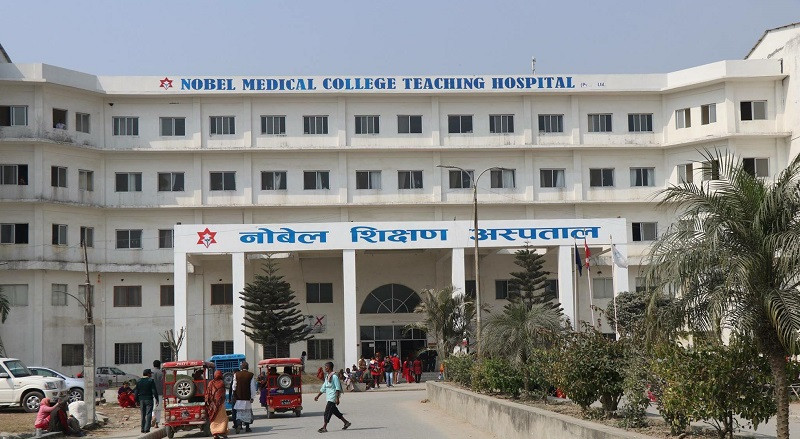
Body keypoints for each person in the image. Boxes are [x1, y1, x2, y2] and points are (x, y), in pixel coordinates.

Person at [314, 361, 351, 433]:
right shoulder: (327, 376)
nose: (325, 368)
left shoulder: (334, 377)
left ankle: (324, 427)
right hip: (329, 397)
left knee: (327, 412)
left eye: (326, 367)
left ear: (330, 367)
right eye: (325, 367)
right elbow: (324, 387)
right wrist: (318, 396)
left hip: (333, 397)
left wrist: (337, 398)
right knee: (335, 411)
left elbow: (338, 388)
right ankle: (346, 422)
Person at [231, 361, 256, 434]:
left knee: (239, 413)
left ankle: (239, 425)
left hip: (238, 398)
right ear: (247, 367)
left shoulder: (236, 374)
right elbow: (252, 387)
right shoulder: (250, 375)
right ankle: (247, 428)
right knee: (247, 412)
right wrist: (252, 397)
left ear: (241, 368)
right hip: (247, 398)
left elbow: (234, 386)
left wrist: (234, 395)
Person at [205, 370, 229, 439]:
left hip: (212, 405)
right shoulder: (222, 383)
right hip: (220, 405)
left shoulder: (210, 383)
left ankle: (215, 434)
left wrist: (207, 401)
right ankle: (222, 432)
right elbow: (223, 394)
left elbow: (207, 393)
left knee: (213, 418)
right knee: (223, 418)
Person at [134, 369, 159, 434]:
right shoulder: (151, 381)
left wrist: (136, 400)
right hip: (149, 399)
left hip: (141, 399)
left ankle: (142, 428)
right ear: (148, 374)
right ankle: (147, 428)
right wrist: (157, 399)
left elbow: (136, 391)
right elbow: (154, 391)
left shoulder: (139, 381)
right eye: (150, 373)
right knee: (148, 413)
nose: (151, 375)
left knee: (143, 414)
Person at [151, 360, 164, 429]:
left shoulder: (150, 372)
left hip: (151, 393)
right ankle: (156, 424)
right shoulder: (161, 373)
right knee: (158, 408)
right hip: (159, 392)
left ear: (153, 365)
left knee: (152, 407)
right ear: (159, 365)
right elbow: (164, 383)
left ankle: (153, 416)